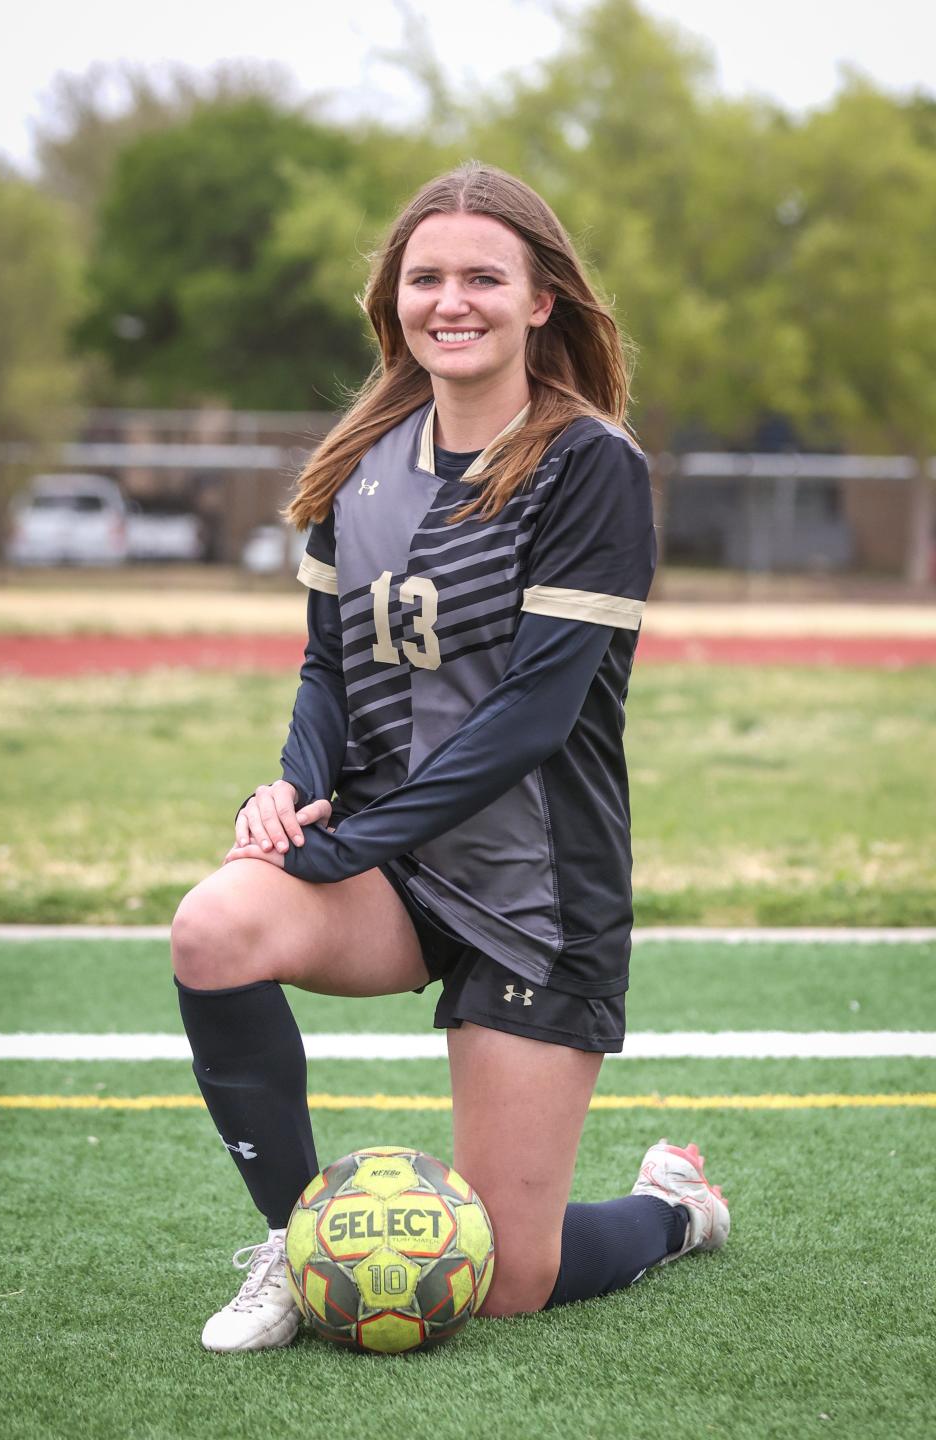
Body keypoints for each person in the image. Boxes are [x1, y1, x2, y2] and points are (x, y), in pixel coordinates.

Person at [172, 161, 729, 1353]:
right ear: (395, 300)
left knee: (511, 1280)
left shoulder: (591, 465)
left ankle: (672, 1210)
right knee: (214, 924)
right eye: (427, 277)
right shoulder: (358, 462)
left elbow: (533, 714)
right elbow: (329, 668)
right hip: (394, 869)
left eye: (485, 276)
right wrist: (291, 792)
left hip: (537, 886)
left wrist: (351, 842)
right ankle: (298, 1241)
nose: (452, 300)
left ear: (542, 301)